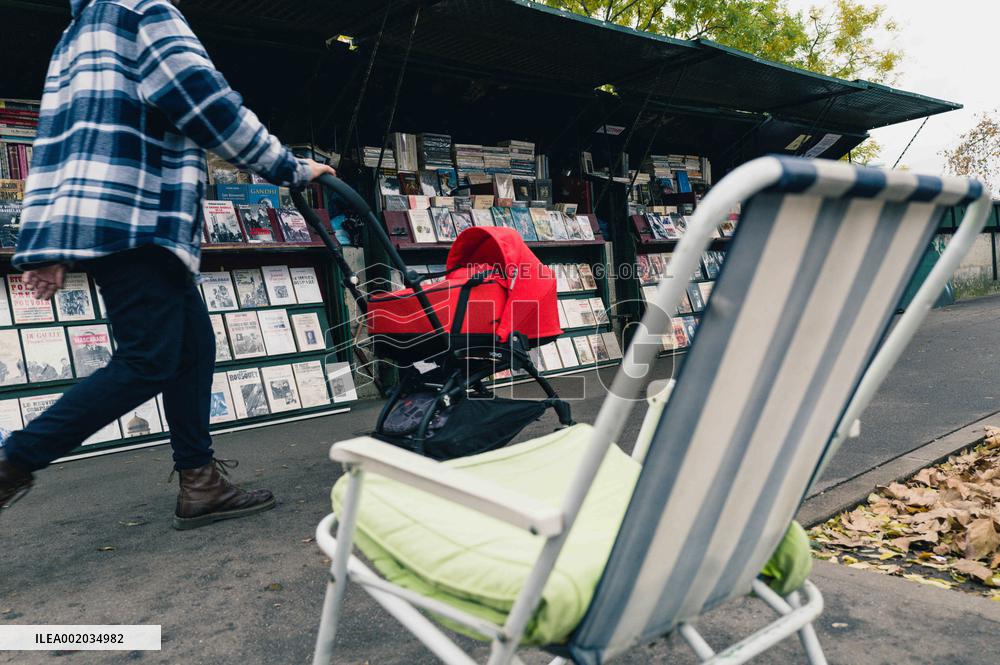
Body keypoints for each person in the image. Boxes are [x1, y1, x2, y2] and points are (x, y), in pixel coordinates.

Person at [0, 0, 336, 529]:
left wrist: (49, 240)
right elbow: (205, 103)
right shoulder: (142, 9)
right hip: (143, 215)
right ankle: (15, 459)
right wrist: (288, 167)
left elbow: (55, 146)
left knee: (192, 345)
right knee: (148, 359)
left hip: (118, 217)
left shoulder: (77, 32)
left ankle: (200, 481)